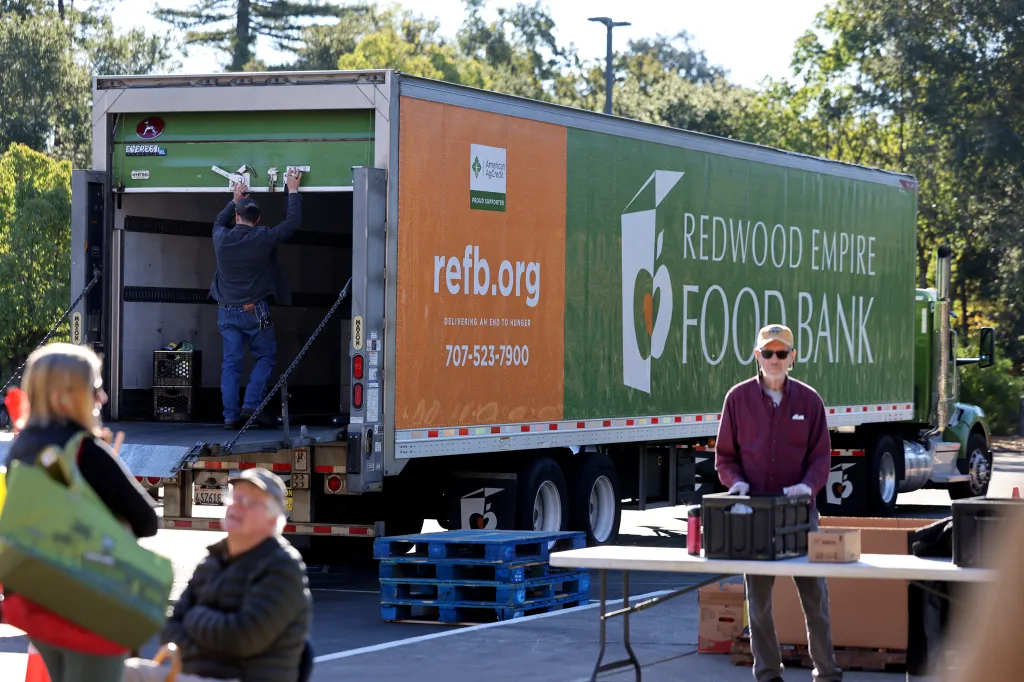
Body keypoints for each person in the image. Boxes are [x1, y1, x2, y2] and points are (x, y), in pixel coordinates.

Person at [1, 343, 159, 682]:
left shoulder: (22, 448)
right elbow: (147, 521)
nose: (102, 398)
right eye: (95, 388)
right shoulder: (84, 450)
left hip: (41, 601)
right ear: (65, 395)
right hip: (91, 602)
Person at [714, 324, 840, 682]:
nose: (774, 359)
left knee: (815, 596)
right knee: (759, 602)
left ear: (792, 358)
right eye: (767, 353)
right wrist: (735, 482)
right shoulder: (736, 400)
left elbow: (820, 458)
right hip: (755, 515)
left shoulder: (810, 401)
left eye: (781, 353)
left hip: (799, 513)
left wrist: (807, 486)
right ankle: (768, 672)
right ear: (756, 356)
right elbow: (725, 457)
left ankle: (827, 672)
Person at [123, 468, 312, 682]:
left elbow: (243, 638)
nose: (237, 506)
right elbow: (170, 630)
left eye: (250, 502)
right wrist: (206, 635)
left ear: (273, 520)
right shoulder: (212, 560)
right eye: (234, 497)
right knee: (123, 671)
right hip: (194, 674)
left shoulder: (282, 566)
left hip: (236, 678)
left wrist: (194, 618)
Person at [211, 169, 303, 430]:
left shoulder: (221, 238)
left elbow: (219, 221)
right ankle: (251, 405)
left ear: (237, 217)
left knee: (231, 365)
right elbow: (292, 222)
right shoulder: (264, 237)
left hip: (226, 313)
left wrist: (234, 198)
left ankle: (230, 417)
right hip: (255, 312)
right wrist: (292, 190)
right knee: (265, 357)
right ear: (259, 218)